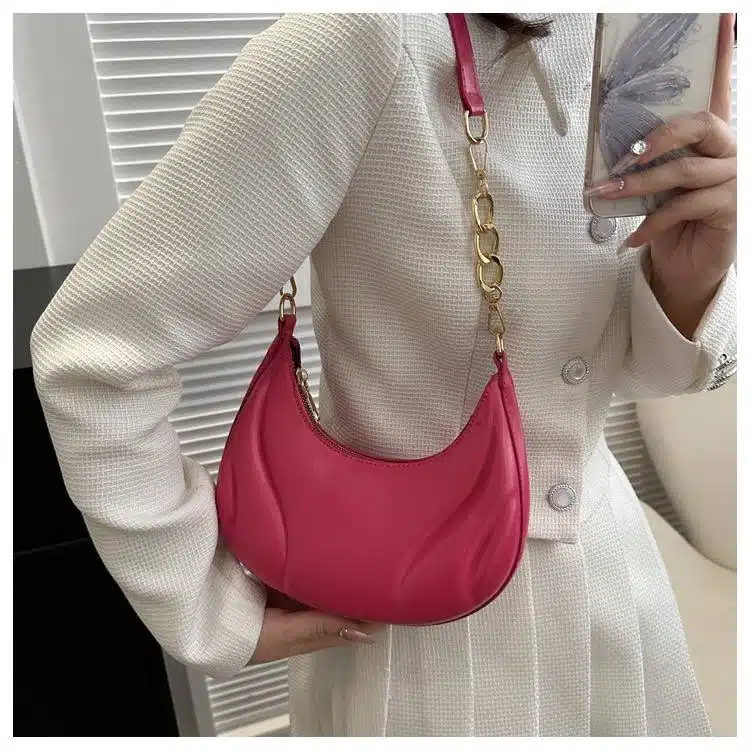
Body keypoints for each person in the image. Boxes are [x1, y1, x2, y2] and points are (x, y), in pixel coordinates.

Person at [30, 13, 736, 737]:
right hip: (422, 638)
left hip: (614, 586)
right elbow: (93, 352)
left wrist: (692, 281)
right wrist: (201, 604)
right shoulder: (364, 37)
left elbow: (631, 376)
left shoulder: (658, 32)